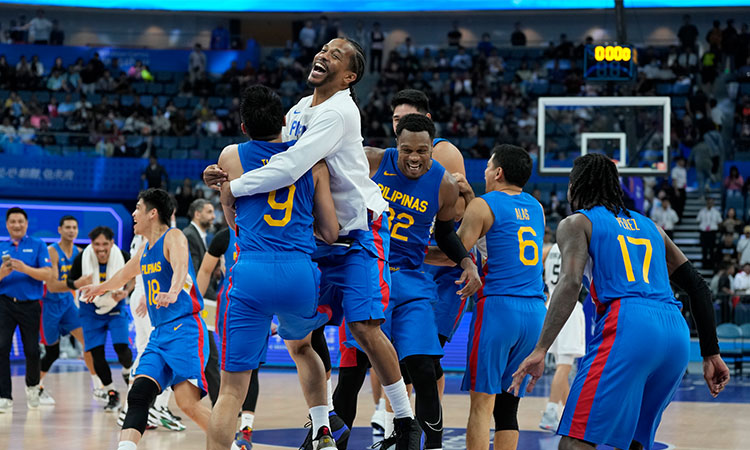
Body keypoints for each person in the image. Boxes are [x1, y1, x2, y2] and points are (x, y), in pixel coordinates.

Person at [203, 38, 423, 449]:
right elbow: (275, 148)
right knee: (303, 335)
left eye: (335, 55)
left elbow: (287, 164)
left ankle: (405, 420)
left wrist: (231, 184)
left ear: (350, 76)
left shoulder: (340, 111)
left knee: (364, 326)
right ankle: (324, 424)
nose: (323, 54)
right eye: (323, 48)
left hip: (359, 230)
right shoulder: (302, 107)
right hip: (318, 237)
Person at [510, 153, 730, 450]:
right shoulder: (653, 227)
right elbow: (699, 287)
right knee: (633, 443)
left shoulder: (577, 223)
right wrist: (711, 353)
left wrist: (541, 348)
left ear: (575, 185)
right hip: (675, 334)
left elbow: (571, 283)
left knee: (575, 442)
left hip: (630, 324)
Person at [207, 84, 340, 450]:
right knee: (302, 349)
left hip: (252, 270)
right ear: (284, 121)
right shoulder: (312, 161)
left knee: (232, 390)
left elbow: (231, 218)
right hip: (299, 272)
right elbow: (330, 232)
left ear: (244, 127)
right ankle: (322, 428)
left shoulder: (231, 156)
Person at [336, 114, 480, 449]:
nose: (414, 157)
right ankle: (334, 443)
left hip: (411, 282)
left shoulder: (444, 184)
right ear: (395, 145)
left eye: (422, 151)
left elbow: (444, 233)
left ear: (433, 149)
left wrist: (466, 262)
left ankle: (431, 446)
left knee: (425, 372)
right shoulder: (371, 160)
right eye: (406, 150)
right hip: (367, 275)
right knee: (352, 372)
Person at [427, 144, 546, 450]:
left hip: (498, 309)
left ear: (498, 172)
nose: (483, 171)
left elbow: (454, 255)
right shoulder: (537, 207)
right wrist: (469, 198)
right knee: (508, 407)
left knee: (481, 404)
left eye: (488, 165)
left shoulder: (484, 205)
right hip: (534, 312)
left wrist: (408, 251)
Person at [81, 188, 213, 450]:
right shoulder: (144, 248)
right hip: (159, 333)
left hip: (185, 329)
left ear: (153, 213)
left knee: (187, 404)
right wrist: (100, 287)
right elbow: (124, 275)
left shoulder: (173, 236)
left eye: (138, 208)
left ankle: (230, 443)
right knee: (139, 393)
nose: (133, 213)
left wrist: (174, 290)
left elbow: (180, 266)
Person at [196, 225, 261, 446]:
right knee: (230, 376)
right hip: (233, 304)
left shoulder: (262, 229)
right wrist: (193, 305)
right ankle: (231, 431)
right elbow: (205, 271)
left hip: (258, 302)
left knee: (252, 370)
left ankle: (246, 428)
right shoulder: (225, 236)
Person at [66, 226, 134, 412]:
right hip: (89, 307)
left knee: (121, 348)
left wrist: (126, 291)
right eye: (97, 244)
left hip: (116, 303)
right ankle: (112, 393)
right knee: (97, 354)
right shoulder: (81, 259)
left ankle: (128, 370)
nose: (101, 248)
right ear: (91, 244)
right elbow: (71, 282)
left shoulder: (123, 256)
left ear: (112, 243)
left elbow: (134, 278)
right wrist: (79, 284)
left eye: (105, 243)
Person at [39, 216, 99, 406]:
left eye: (74, 227)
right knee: (52, 352)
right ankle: (36, 387)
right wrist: (76, 284)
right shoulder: (52, 252)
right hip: (49, 306)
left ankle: (98, 386)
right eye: (67, 227)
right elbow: (53, 285)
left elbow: (89, 279)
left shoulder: (80, 253)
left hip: (68, 305)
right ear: (59, 230)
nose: (71, 230)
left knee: (88, 341)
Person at [0, 207, 53, 412]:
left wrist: (25, 269)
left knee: (32, 350)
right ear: (7, 225)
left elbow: (48, 275)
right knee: (1, 347)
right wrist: (2, 273)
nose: (16, 225)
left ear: (26, 224)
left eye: (20, 221)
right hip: (4, 304)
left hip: (30, 305)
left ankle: (32, 387)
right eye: (12, 221)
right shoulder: (2, 247)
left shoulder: (38, 245)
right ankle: (4, 395)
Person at [538, 243, 586, 432]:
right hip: (569, 306)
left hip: (550, 305)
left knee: (561, 365)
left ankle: (569, 417)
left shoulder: (548, 249)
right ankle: (550, 413)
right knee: (564, 367)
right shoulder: (580, 247)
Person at [697, 198, 722, 272]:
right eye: (708, 202)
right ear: (706, 203)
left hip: (712, 232)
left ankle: (711, 264)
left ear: (713, 203)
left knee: (711, 249)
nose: (710, 204)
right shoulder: (702, 211)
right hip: (704, 232)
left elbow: (719, 222)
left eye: (711, 202)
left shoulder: (716, 212)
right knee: (704, 249)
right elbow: (698, 220)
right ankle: (704, 264)